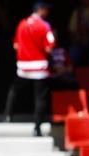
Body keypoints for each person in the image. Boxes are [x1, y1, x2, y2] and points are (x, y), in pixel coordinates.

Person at [4, 2, 55, 137]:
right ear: (41, 10)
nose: (47, 13)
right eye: (46, 10)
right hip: (39, 68)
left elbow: (15, 46)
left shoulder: (22, 24)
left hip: (23, 66)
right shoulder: (45, 26)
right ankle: (37, 128)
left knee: (14, 90)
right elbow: (49, 48)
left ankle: (7, 116)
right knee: (40, 98)